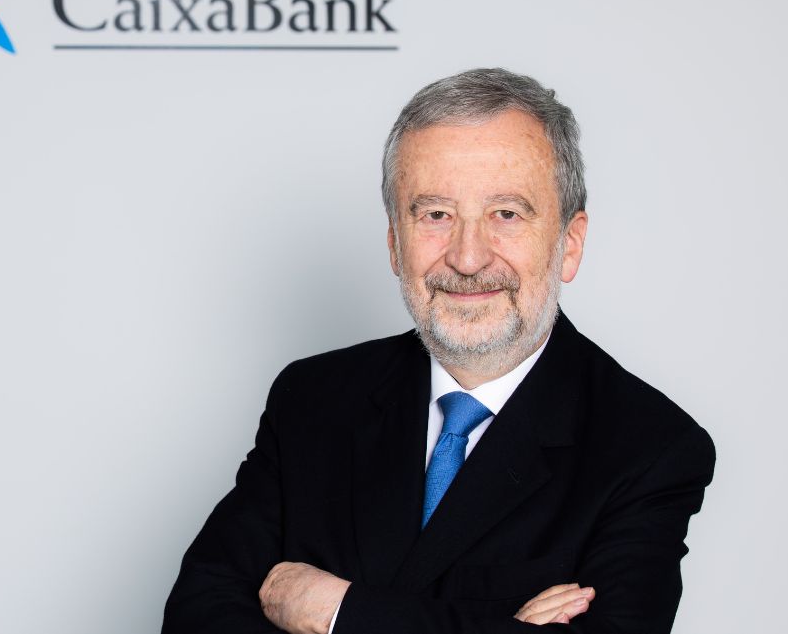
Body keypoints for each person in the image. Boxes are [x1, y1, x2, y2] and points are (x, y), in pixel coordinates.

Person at [161, 68, 716, 634]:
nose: (468, 258)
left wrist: (339, 611)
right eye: (435, 215)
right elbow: (196, 615)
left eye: (506, 214)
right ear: (394, 245)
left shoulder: (649, 447)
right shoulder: (313, 399)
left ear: (569, 245)